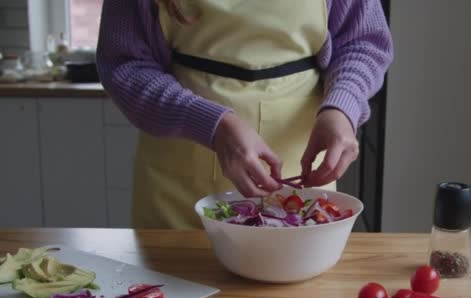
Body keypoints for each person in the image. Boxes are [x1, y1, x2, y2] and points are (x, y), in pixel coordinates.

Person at [96, 0, 393, 229]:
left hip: (300, 186)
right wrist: (212, 124)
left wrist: (342, 107)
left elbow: (363, 43)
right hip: (178, 190)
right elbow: (125, 64)